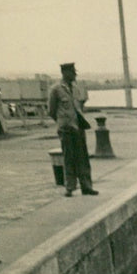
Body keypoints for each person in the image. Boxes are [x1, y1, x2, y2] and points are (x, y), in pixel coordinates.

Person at [48, 62, 97, 197]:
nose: (75, 74)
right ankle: (69, 187)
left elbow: (79, 106)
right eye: (72, 72)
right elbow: (51, 111)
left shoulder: (75, 89)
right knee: (69, 158)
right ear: (65, 73)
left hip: (79, 127)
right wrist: (63, 122)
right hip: (66, 129)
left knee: (83, 158)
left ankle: (86, 186)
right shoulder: (56, 89)